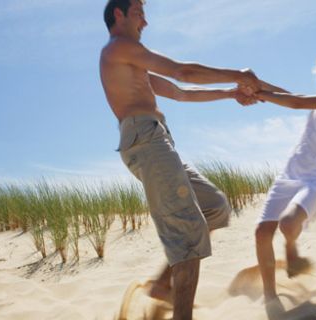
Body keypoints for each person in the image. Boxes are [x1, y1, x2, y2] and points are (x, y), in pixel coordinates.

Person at [99, 1, 259, 318]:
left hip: (159, 140)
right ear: (119, 14)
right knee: (187, 233)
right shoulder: (119, 48)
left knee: (214, 206)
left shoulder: (134, 64)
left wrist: (231, 92)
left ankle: (162, 285)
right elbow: (182, 70)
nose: (145, 21)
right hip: (146, 141)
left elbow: (181, 92)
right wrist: (237, 74)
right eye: (138, 13)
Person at [250, 51, 316, 304]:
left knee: (288, 223)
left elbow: (297, 104)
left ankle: (291, 250)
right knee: (261, 233)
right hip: (291, 171)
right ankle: (270, 296)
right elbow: (295, 97)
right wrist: (257, 84)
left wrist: (259, 95)